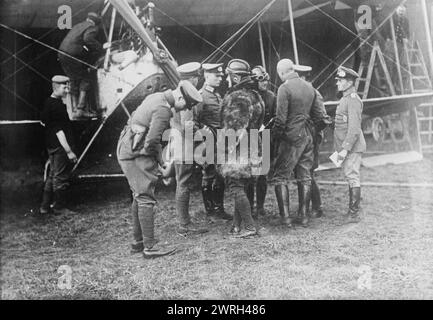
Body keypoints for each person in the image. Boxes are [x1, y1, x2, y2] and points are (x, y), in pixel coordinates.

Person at [117, 80, 202, 259]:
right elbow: (152, 142)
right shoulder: (163, 109)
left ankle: (138, 243)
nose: (182, 109)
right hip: (136, 154)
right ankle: (150, 247)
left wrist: (159, 161)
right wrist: (160, 164)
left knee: (139, 197)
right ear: (179, 96)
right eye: (185, 105)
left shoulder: (156, 97)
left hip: (127, 148)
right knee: (146, 198)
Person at [268, 59, 317, 228]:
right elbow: (318, 115)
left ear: (281, 73)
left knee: (280, 177)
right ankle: (303, 216)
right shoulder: (309, 87)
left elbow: (280, 120)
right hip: (308, 135)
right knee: (305, 176)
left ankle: (286, 218)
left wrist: (275, 137)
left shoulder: (285, 88)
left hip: (291, 138)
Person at [220, 59, 265, 238]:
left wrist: (227, 151)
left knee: (235, 186)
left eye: (229, 76)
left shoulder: (237, 97)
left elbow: (235, 129)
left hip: (239, 149)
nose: (226, 79)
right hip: (253, 145)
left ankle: (249, 227)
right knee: (243, 186)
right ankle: (237, 225)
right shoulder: (255, 95)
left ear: (236, 77)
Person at [172, 62, 208, 236]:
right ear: (193, 78)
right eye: (196, 78)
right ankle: (184, 224)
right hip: (184, 144)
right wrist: (202, 136)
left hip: (178, 142)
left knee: (182, 181)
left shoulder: (177, 91)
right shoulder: (185, 95)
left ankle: (184, 223)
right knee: (184, 182)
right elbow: (188, 126)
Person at [193, 63, 232, 221]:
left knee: (220, 175)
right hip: (209, 142)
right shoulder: (199, 96)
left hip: (221, 140)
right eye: (217, 75)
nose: (220, 78)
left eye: (221, 75)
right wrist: (203, 131)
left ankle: (219, 209)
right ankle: (210, 211)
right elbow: (193, 122)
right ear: (206, 76)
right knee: (208, 174)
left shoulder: (217, 95)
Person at [294, 64, 332, 218]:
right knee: (302, 172)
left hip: (310, 139)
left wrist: (311, 133)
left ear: (303, 77)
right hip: (300, 139)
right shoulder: (298, 92)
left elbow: (323, 119)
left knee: (307, 172)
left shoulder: (313, 93)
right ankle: (309, 206)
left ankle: (316, 207)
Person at [39, 75, 78, 215]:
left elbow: (43, 121)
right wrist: (69, 151)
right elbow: (59, 131)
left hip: (51, 145)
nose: (67, 89)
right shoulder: (57, 106)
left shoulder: (48, 102)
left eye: (68, 86)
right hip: (59, 146)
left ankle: (44, 207)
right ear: (56, 87)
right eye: (64, 87)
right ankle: (59, 207)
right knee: (60, 177)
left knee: (52, 175)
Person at [334, 66, 366, 223]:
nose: (337, 83)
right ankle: (352, 211)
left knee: (352, 176)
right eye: (338, 80)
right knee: (349, 175)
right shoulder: (345, 98)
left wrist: (345, 149)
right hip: (346, 146)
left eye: (340, 81)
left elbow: (354, 129)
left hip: (352, 147)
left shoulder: (353, 100)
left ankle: (354, 214)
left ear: (349, 82)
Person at [58, 12, 103, 116]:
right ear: (96, 22)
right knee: (85, 78)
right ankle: (81, 110)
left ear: (87, 18)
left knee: (73, 79)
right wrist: (99, 48)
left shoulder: (78, 25)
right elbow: (87, 39)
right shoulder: (92, 27)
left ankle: (74, 111)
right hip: (72, 54)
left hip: (61, 53)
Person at [246, 65, 276, 217]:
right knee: (250, 174)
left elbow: (276, 117)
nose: (265, 83)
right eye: (262, 80)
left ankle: (260, 207)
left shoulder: (271, 96)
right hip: (251, 138)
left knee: (263, 174)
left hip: (265, 138)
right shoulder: (248, 96)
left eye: (267, 80)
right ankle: (250, 206)